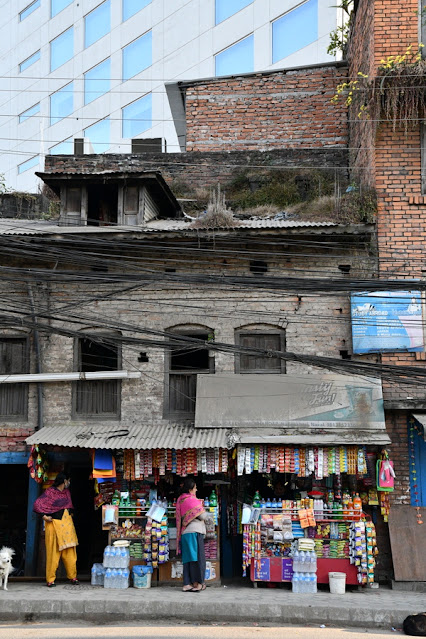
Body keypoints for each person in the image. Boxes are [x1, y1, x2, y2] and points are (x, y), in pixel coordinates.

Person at [33, 471, 79, 587]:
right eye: (68, 480)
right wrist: (44, 516)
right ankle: (50, 579)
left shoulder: (67, 492)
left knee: (70, 553)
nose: (69, 483)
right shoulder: (50, 492)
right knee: (53, 553)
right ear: (64, 481)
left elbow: (69, 507)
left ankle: (73, 577)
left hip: (67, 525)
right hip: (54, 525)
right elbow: (37, 504)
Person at [176, 477, 210, 592]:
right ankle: (199, 583)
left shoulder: (181, 499)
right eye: (195, 488)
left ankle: (187, 584)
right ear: (190, 489)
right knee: (198, 559)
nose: (196, 490)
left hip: (185, 533)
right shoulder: (191, 500)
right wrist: (206, 510)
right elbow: (203, 516)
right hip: (194, 532)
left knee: (188, 560)